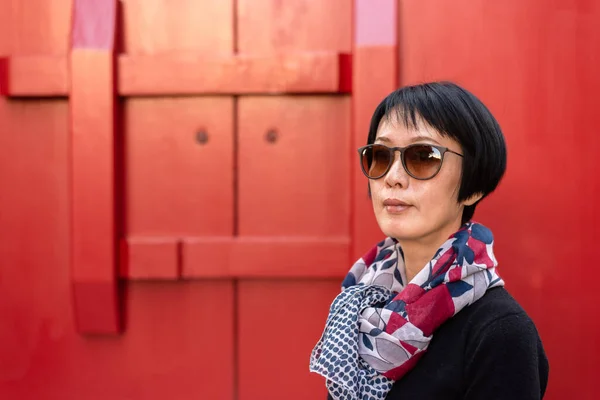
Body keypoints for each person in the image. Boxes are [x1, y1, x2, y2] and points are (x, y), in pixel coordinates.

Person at [309, 81, 549, 399]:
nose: (392, 177)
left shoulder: (499, 332)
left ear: (474, 186)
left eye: (423, 156)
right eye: (380, 156)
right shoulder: (358, 307)